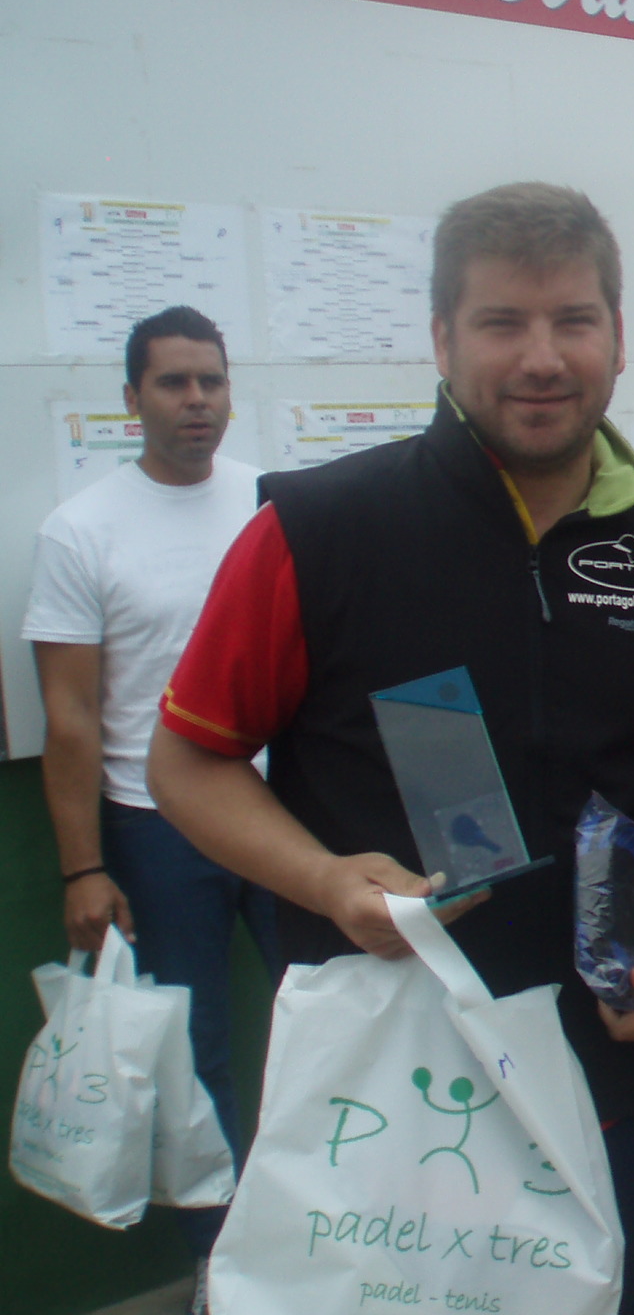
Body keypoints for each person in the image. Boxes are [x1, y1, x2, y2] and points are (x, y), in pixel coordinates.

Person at [146, 182, 634, 1315]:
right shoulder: (317, 529)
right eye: (501, 323)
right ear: (441, 339)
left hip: (616, 1070)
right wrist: (325, 881)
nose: (542, 358)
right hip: (392, 1084)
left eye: (573, 320)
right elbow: (186, 763)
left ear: (617, 335)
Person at [24, 306, 280, 1297]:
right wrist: (82, 868)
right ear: (131, 399)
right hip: (156, 823)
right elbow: (71, 716)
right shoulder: (81, 530)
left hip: (282, 813)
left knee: (325, 1012)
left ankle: (324, 1225)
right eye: (173, 383)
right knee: (194, 1052)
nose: (196, 401)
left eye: (211, 381)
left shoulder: (269, 501)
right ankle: (220, 1264)